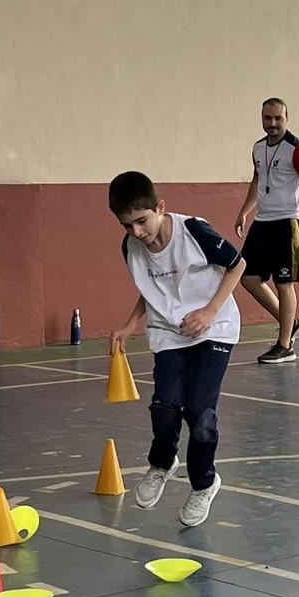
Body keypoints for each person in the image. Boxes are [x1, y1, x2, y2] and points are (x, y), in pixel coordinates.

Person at [109, 172, 245, 527]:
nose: (138, 232)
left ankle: (204, 483)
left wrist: (210, 311)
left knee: (201, 414)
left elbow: (237, 264)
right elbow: (152, 289)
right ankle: (162, 463)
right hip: (169, 332)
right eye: (127, 226)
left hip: (215, 328)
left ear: (160, 208)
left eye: (142, 221)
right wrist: (130, 323)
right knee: (165, 406)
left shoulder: (194, 232)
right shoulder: (131, 248)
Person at [234, 97, 299, 365]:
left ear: (287, 118)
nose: (272, 123)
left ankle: (285, 346)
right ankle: (290, 322)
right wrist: (244, 212)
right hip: (263, 222)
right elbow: (257, 180)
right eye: (267, 118)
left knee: (284, 284)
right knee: (248, 278)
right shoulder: (257, 148)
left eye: (277, 118)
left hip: (288, 223)